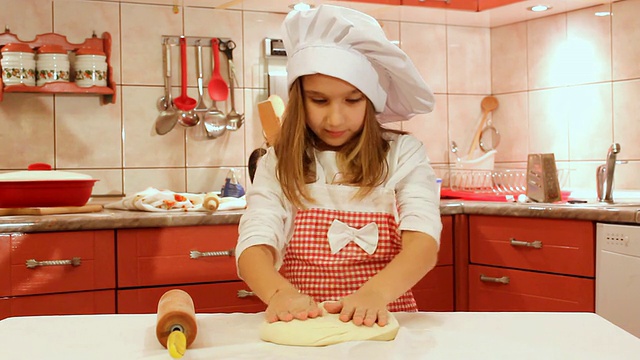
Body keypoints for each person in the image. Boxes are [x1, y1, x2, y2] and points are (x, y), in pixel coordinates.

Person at [235, 4, 442, 328]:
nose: (334, 118)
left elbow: (424, 244)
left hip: (385, 321)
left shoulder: (403, 154)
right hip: (303, 323)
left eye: (352, 100)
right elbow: (254, 242)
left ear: (371, 99)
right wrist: (279, 293)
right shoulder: (278, 162)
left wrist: (374, 295)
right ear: (299, 98)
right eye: (319, 100)